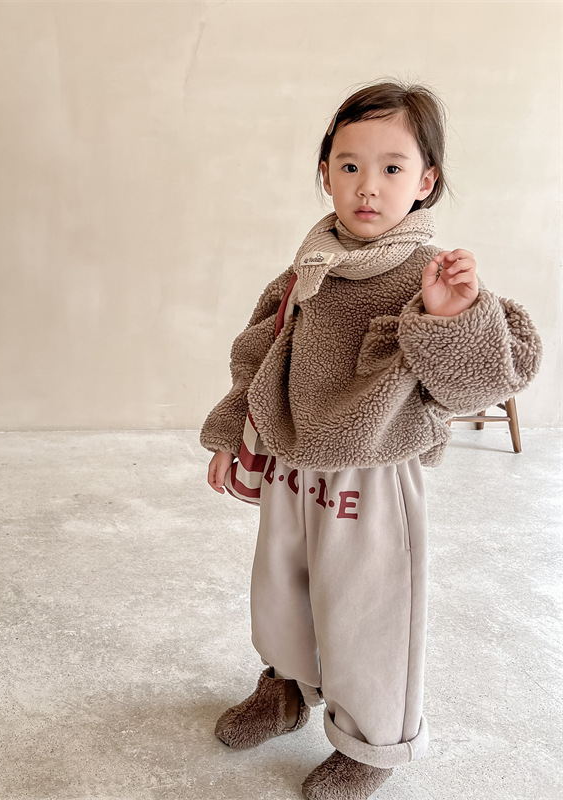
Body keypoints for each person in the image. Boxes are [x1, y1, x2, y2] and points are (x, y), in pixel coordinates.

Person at [200, 81, 542, 800]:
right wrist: (232, 430)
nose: (367, 186)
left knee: (369, 608)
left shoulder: (431, 274)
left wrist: (452, 318)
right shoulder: (310, 266)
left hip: (373, 473)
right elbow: (258, 354)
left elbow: (489, 378)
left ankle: (374, 741)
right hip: (294, 465)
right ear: (325, 173)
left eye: (392, 168)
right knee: (281, 590)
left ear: (425, 182)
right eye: (349, 165)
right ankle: (285, 687)